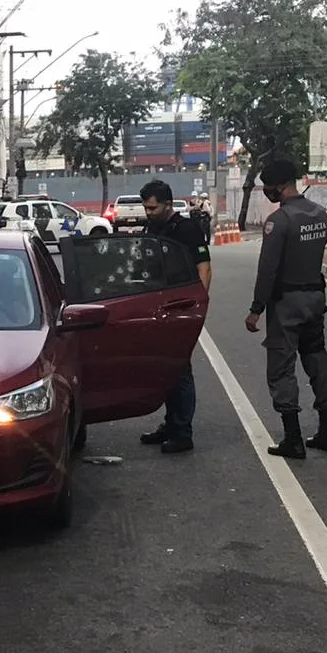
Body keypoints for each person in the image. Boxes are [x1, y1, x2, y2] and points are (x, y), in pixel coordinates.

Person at [244, 156, 327, 459]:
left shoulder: (280, 221)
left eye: (267, 186)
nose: (265, 192)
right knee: (317, 361)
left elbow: (268, 269)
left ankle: (293, 438)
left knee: (281, 368)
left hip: (287, 303)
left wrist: (256, 308)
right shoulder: (319, 214)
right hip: (315, 298)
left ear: (280, 185)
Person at [138, 179, 212, 454]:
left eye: (153, 208)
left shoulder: (187, 229)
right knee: (166, 369)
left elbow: (204, 267)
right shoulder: (153, 228)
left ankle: (182, 432)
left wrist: (198, 306)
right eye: (146, 208)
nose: (148, 212)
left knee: (180, 370)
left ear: (168, 205)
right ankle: (170, 424)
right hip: (158, 307)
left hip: (181, 307)